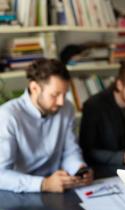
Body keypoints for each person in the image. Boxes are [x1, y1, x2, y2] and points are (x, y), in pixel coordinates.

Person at [0, 58, 93, 193]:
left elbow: (70, 151)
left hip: (58, 187)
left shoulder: (67, 108)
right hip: (20, 191)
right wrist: (44, 184)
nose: (61, 102)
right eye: (55, 95)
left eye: (64, 94)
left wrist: (79, 169)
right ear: (34, 88)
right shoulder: (7, 116)